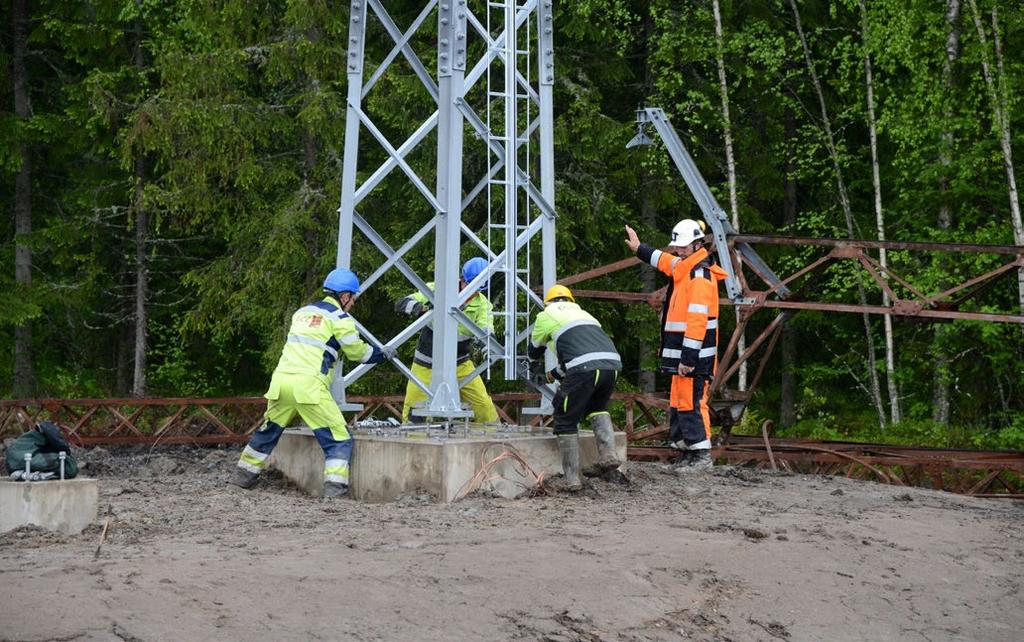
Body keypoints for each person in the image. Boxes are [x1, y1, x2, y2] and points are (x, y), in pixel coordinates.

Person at [229, 268, 391, 498]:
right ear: (344, 296)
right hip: (309, 387)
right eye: (353, 297)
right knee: (339, 439)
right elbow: (358, 353)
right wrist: (382, 354)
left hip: (281, 382)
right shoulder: (341, 320)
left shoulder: (302, 313)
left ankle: (242, 476)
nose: (353, 303)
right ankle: (335, 490)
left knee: (269, 431)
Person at [624, 220, 727, 472]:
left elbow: (697, 321)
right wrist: (640, 248)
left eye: (682, 247)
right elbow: (664, 261)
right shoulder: (684, 267)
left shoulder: (700, 277)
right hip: (684, 355)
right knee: (680, 402)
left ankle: (701, 455)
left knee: (692, 403)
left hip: (693, 356)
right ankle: (686, 452)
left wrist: (689, 359)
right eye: (677, 247)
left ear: (697, 244)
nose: (678, 251)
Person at [528, 285, 622, 490]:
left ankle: (571, 478)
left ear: (549, 302)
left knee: (564, 418)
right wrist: (550, 376)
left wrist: (533, 364)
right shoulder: (584, 315)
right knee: (597, 406)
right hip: (611, 365)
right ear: (570, 300)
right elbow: (576, 359)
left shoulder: (546, 314)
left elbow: (534, 349)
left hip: (584, 368)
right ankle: (608, 455)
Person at [394, 257, 499, 423]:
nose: (472, 294)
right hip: (426, 363)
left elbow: (487, 331)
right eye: (470, 288)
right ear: (462, 279)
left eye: (477, 290)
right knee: (414, 412)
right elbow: (402, 303)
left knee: (484, 407)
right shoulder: (437, 289)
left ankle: (493, 442)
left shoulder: (482, 304)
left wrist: (489, 348)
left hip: (460, 364)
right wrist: (422, 309)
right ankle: (414, 442)